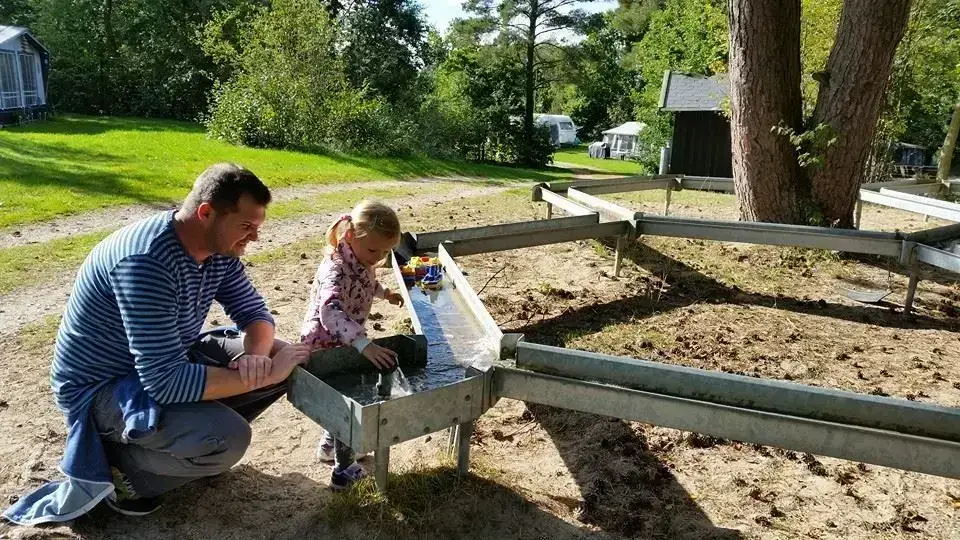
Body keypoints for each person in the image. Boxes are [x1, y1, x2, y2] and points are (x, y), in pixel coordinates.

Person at [3, 163, 309, 525]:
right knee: (231, 438)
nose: (254, 237)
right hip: (102, 388)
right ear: (206, 213)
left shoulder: (216, 249)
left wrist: (257, 360)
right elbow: (166, 382)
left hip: (160, 363)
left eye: (258, 227)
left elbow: (254, 313)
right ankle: (121, 474)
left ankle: (187, 447)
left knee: (277, 353)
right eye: (246, 226)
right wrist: (267, 374)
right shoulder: (146, 261)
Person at [300, 200, 404, 490]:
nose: (378, 258)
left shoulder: (361, 260)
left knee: (342, 401)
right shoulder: (335, 269)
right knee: (345, 404)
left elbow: (368, 282)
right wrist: (363, 344)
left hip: (345, 341)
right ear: (350, 236)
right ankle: (343, 472)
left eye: (385, 252)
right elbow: (329, 311)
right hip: (324, 344)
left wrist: (386, 293)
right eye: (373, 251)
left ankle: (329, 446)